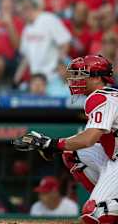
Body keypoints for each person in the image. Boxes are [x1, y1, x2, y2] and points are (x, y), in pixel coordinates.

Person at [15, 55, 118, 223]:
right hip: (113, 158)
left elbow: (89, 139)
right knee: (71, 151)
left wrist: (52, 144)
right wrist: (57, 145)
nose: (76, 79)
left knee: (94, 214)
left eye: (82, 74)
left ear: (98, 78)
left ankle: (106, 203)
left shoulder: (100, 98)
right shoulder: (111, 94)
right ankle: (108, 197)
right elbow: (93, 140)